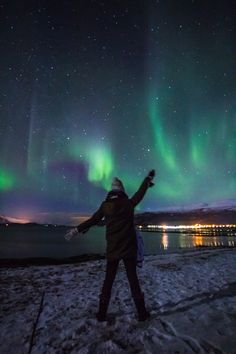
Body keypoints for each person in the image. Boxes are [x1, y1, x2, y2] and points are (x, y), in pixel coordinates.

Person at [65, 169, 155, 321]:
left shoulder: (105, 206)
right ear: (122, 190)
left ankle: (101, 314)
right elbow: (140, 192)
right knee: (133, 281)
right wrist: (147, 180)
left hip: (112, 249)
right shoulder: (128, 203)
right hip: (128, 249)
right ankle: (142, 314)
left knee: (108, 282)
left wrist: (76, 230)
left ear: (112, 190)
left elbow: (93, 220)